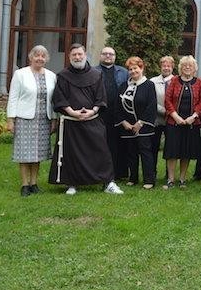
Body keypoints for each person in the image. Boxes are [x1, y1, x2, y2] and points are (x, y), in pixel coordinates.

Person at [48, 44, 123, 195]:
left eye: (80, 54)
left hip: (92, 119)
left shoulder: (96, 74)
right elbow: (59, 98)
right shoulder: (63, 76)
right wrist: (72, 112)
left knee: (101, 151)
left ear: (85, 55)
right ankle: (72, 183)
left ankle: (108, 183)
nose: (77, 57)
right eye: (74, 55)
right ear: (69, 57)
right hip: (71, 122)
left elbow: (101, 96)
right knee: (71, 154)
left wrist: (92, 111)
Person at [7, 45, 57, 196]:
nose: (40, 58)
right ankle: (24, 185)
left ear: (46, 59)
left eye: (43, 56)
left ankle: (34, 183)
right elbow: (13, 97)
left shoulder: (51, 76)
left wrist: (54, 119)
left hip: (43, 118)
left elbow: (53, 100)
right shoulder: (20, 74)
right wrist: (10, 119)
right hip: (25, 118)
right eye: (37, 55)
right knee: (24, 153)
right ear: (31, 57)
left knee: (38, 154)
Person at [164, 56, 201, 189]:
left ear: (194, 68)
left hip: (191, 123)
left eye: (190, 66)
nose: (187, 67)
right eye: (185, 65)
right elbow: (167, 100)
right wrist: (175, 116)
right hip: (174, 122)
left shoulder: (199, 82)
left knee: (186, 152)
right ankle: (170, 179)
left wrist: (193, 116)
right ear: (180, 68)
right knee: (172, 151)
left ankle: (182, 179)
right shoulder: (174, 81)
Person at [116, 57, 157, 189]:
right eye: (130, 69)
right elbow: (118, 105)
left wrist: (140, 123)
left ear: (142, 68)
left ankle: (149, 180)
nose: (133, 71)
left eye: (135, 68)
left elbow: (151, 105)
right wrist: (123, 122)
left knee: (145, 153)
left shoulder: (149, 85)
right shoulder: (124, 86)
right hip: (127, 126)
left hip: (143, 126)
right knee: (131, 153)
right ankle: (133, 178)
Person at [95, 46, 129, 180]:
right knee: (100, 144)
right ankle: (98, 172)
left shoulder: (123, 72)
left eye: (111, 54)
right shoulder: (93, 71)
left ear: (115, 57)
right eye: (105, 54)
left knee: (117, 144)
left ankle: (118, 173)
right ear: (100, 56)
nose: (108, 56)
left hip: (118, 113)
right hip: (100, 113)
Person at [149, 56, 175, 182]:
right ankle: (152, 172)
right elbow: (151, 100)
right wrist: (165, 111)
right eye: (164, 66)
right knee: (154, 146)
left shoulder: (177, 81)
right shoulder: (153, 81)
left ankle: (168, 174)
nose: (166, 68)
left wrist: (172, 113)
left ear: (172, 67)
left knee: (170, 148)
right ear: (160, 67)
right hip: (157, 119)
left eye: (168, 66)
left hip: (172, 120)